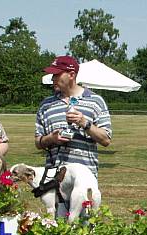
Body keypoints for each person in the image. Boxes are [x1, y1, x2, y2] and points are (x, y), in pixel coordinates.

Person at [35, 55, 112, 217]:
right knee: (56, 229)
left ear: (71, 75)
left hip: (85, 179)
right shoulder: (45, 105)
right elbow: (38, 141)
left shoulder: (95, 101)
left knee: (85, 229)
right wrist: (51, 139)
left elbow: (106, 139)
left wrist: (85, 123)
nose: (53, 78)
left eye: (57, 74)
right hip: (55, 180)